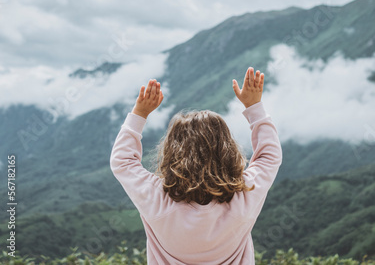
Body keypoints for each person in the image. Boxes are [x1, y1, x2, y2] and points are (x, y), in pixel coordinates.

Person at [110, 67, 282, 264]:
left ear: (171, 152)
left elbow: (122, 161)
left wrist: (139, 113)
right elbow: (270, 157)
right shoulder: (244, 196)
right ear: (227, 150)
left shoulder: (158, 199)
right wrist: (254, 107)